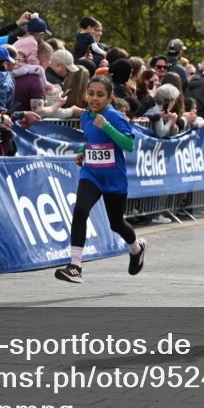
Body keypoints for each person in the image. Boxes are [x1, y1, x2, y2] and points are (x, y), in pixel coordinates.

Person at [54, 75, 147, 284]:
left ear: (109, 98)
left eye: (100, 95)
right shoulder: (85, 117)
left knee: (116, 223)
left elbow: (128, 145)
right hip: (92, 174)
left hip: (114, 178)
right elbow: (92, 141)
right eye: (91, 94)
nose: (94, 98)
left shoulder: (115, 117)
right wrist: (82, 150)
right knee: (80, 211)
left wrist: (107, 126)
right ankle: (75, 266)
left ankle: (136, 248)